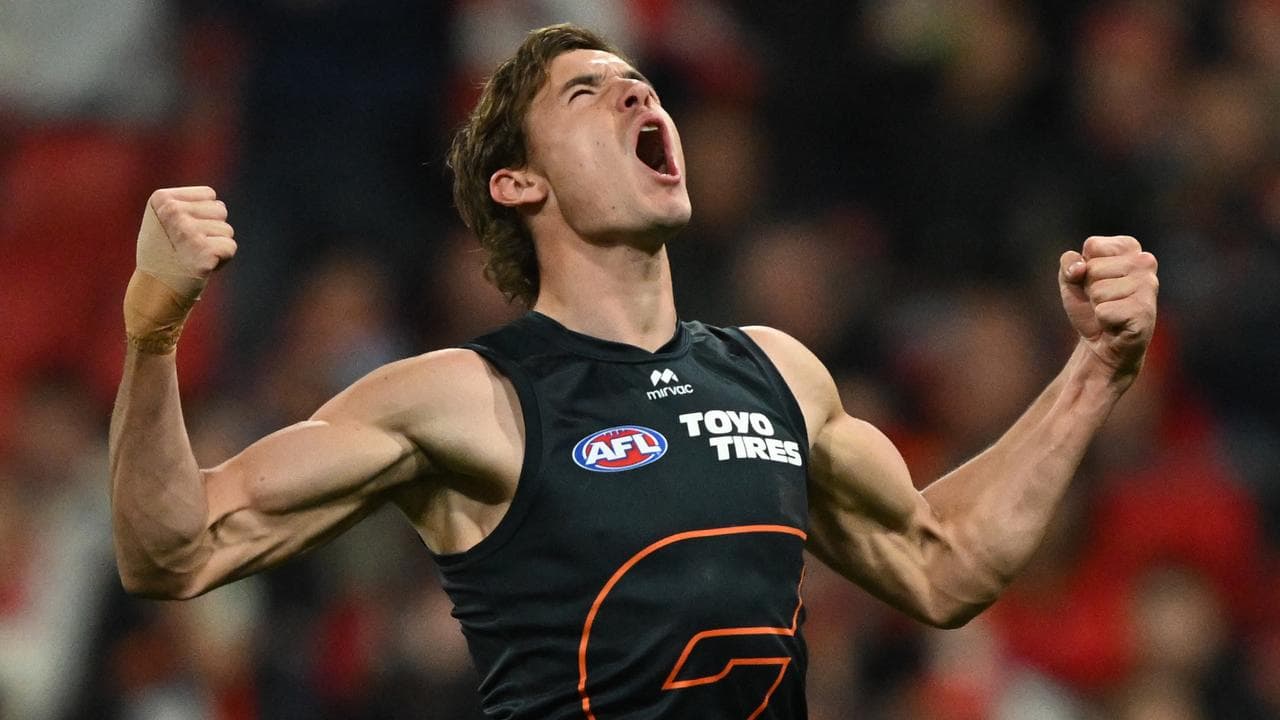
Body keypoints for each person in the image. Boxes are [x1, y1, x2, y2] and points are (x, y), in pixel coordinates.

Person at [109, 24, 1160, 719]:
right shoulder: (467, 397)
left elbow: (944, 565)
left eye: (638, 85)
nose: (634, 95)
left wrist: (1095, 370)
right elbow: (174, 550)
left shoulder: (778, 374)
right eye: (588, 92)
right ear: (517, 182)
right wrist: (153, 332)